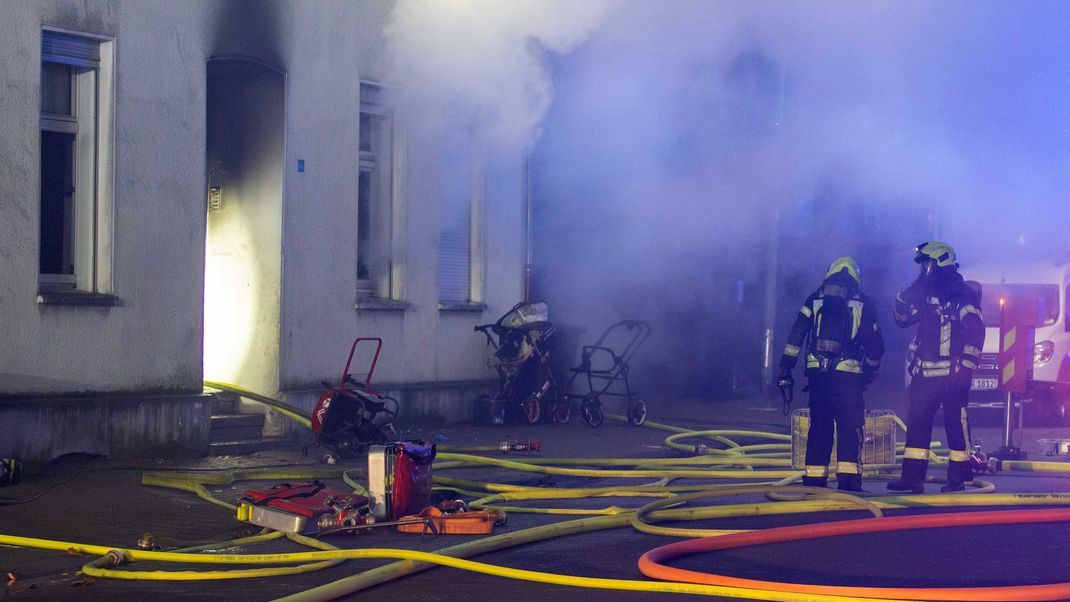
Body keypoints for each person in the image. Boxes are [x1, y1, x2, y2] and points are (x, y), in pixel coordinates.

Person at [778, 257, 885, 491]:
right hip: (848, 379)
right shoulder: (863, 303)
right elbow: (875, 346)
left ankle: (814, 482)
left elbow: (796, 335)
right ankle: (848, 483)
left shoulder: (815, 299)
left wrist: (786, 367)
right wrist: (869, 371)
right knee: (849, 428)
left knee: (819, 428)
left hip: (818, 377)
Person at [888, 241, 985, 494]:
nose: (924, 270)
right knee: (917, 426)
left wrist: (965, 368)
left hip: (953, 375)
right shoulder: (925, 293)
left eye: (928, 265)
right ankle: (911, 478)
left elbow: (975, 332)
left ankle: (959, 479)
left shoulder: (962, 295)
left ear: (941, 263)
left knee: (956, 426)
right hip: (925, 375)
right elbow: (902, 320)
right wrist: (910, 293)